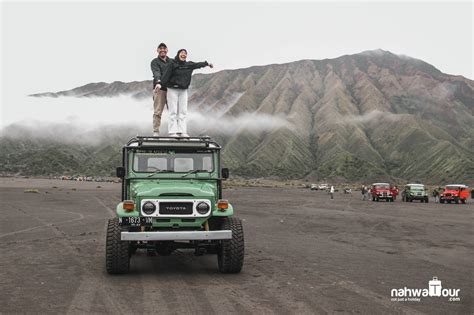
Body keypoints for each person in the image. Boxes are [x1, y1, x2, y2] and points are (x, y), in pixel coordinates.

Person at [160, 49, 213, 137]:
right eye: (182, 53)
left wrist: (207, 64)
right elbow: (166, 75)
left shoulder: (189, 65)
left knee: (183, 111)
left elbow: (197, 65)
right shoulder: (172, 64)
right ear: (178, 54)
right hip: (172, 89)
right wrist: (160, 85)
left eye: (185, 53)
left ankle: (182, 131)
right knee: (173, 111)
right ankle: (172, 132)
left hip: (183, 90)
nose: (183, 54)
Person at [150, 42, 170, 136]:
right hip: (160, 89)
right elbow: (156, 72)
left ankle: (174, 131)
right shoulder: (155, 62)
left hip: (171, 89)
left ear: (167, 50)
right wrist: (158, 82)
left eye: (164, 48)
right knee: (158, 111)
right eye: (160, 48)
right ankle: (156, 131)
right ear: (157, 50)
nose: (162, 50)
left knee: (173, 111)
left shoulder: (172, 61)